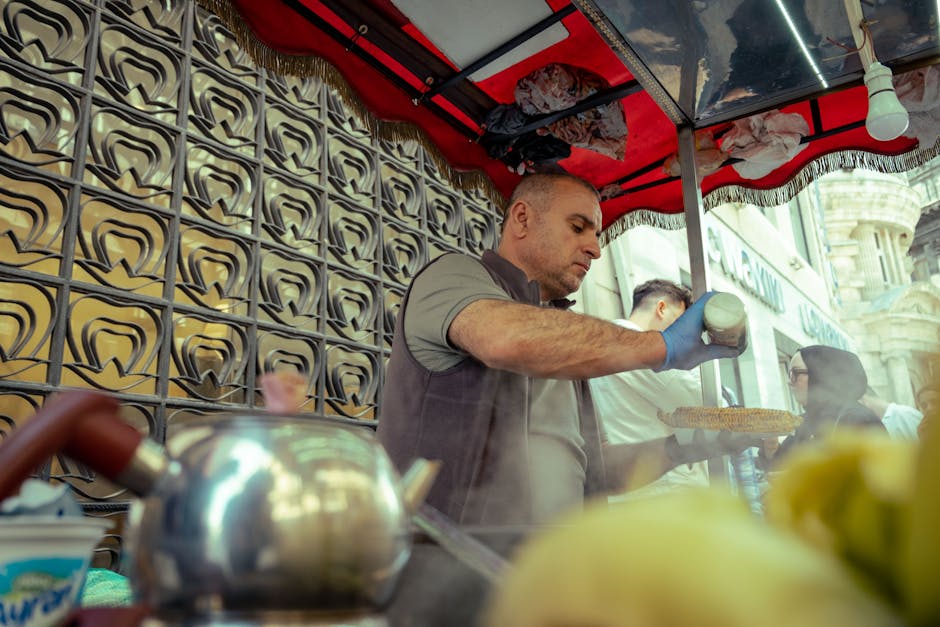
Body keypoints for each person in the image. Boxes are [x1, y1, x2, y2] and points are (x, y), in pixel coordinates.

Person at [377, 172, 748, 526]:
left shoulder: (561, 336)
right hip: (450, 564)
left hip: (547, 570)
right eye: (577, 227)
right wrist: (660, 345)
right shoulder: (452, 275)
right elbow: (505, 338)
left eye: (597, 234)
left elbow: (598, 470)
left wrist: (683, 446)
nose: (595, 249)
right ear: (522, 219)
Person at [588, 279, 710, 499]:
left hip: (629, 492)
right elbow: (709, 403)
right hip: (663, 496)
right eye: (682, 324)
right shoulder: (641, 347)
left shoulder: (605, 341)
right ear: (661, 309)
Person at [773, 345, 887, 462]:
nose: (789, 382)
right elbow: (781, 463)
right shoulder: (805, 421)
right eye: (789, 374)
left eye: (795, 373)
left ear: (819, 375)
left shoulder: (857, 419)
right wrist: (769, 445)